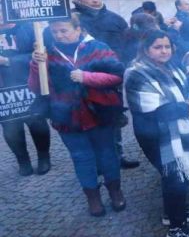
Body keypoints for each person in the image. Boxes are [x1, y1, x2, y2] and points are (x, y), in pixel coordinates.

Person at [29, 14, 125, 217]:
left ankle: (115, 191)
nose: (59, 35)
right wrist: (37, 65)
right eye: (55, 31)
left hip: (99, 112)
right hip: (66, 115)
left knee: (107, 153)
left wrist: (87, 77)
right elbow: (37, 88)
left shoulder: (97, 47)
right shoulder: (46, 53)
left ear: (78, 29)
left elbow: (117, 76)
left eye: (64, 30)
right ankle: (93, 197)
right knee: (81, 157)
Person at [124, 30, 189, 237]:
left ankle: (173, 212)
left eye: (167, 46)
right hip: (155, 134)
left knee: (175, 176)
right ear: (146, 50)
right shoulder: (137, 73)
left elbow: (184, 90)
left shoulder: (170, 65)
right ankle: (177, 228)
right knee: (174, 177)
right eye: (158, 47)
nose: (164, 51)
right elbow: (156, 111)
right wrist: (187, 108)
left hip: (174, 130)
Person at [72, 0, 139, 169]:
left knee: (113, 118)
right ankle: (96, 163)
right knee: (88, 120)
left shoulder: (116, 19)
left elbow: (129, 45)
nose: (94, 0)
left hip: (111, 77)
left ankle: (118, 157)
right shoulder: (72, 19)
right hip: (80, 78)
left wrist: (124, 66)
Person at [0, 16, 51, 176]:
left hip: (28, 82)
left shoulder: (29, 28)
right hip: (2, 88)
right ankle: (23, 160)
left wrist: (8, 61)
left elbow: (38, 54)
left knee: (36, 121)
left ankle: (43, 157)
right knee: (10, 126)